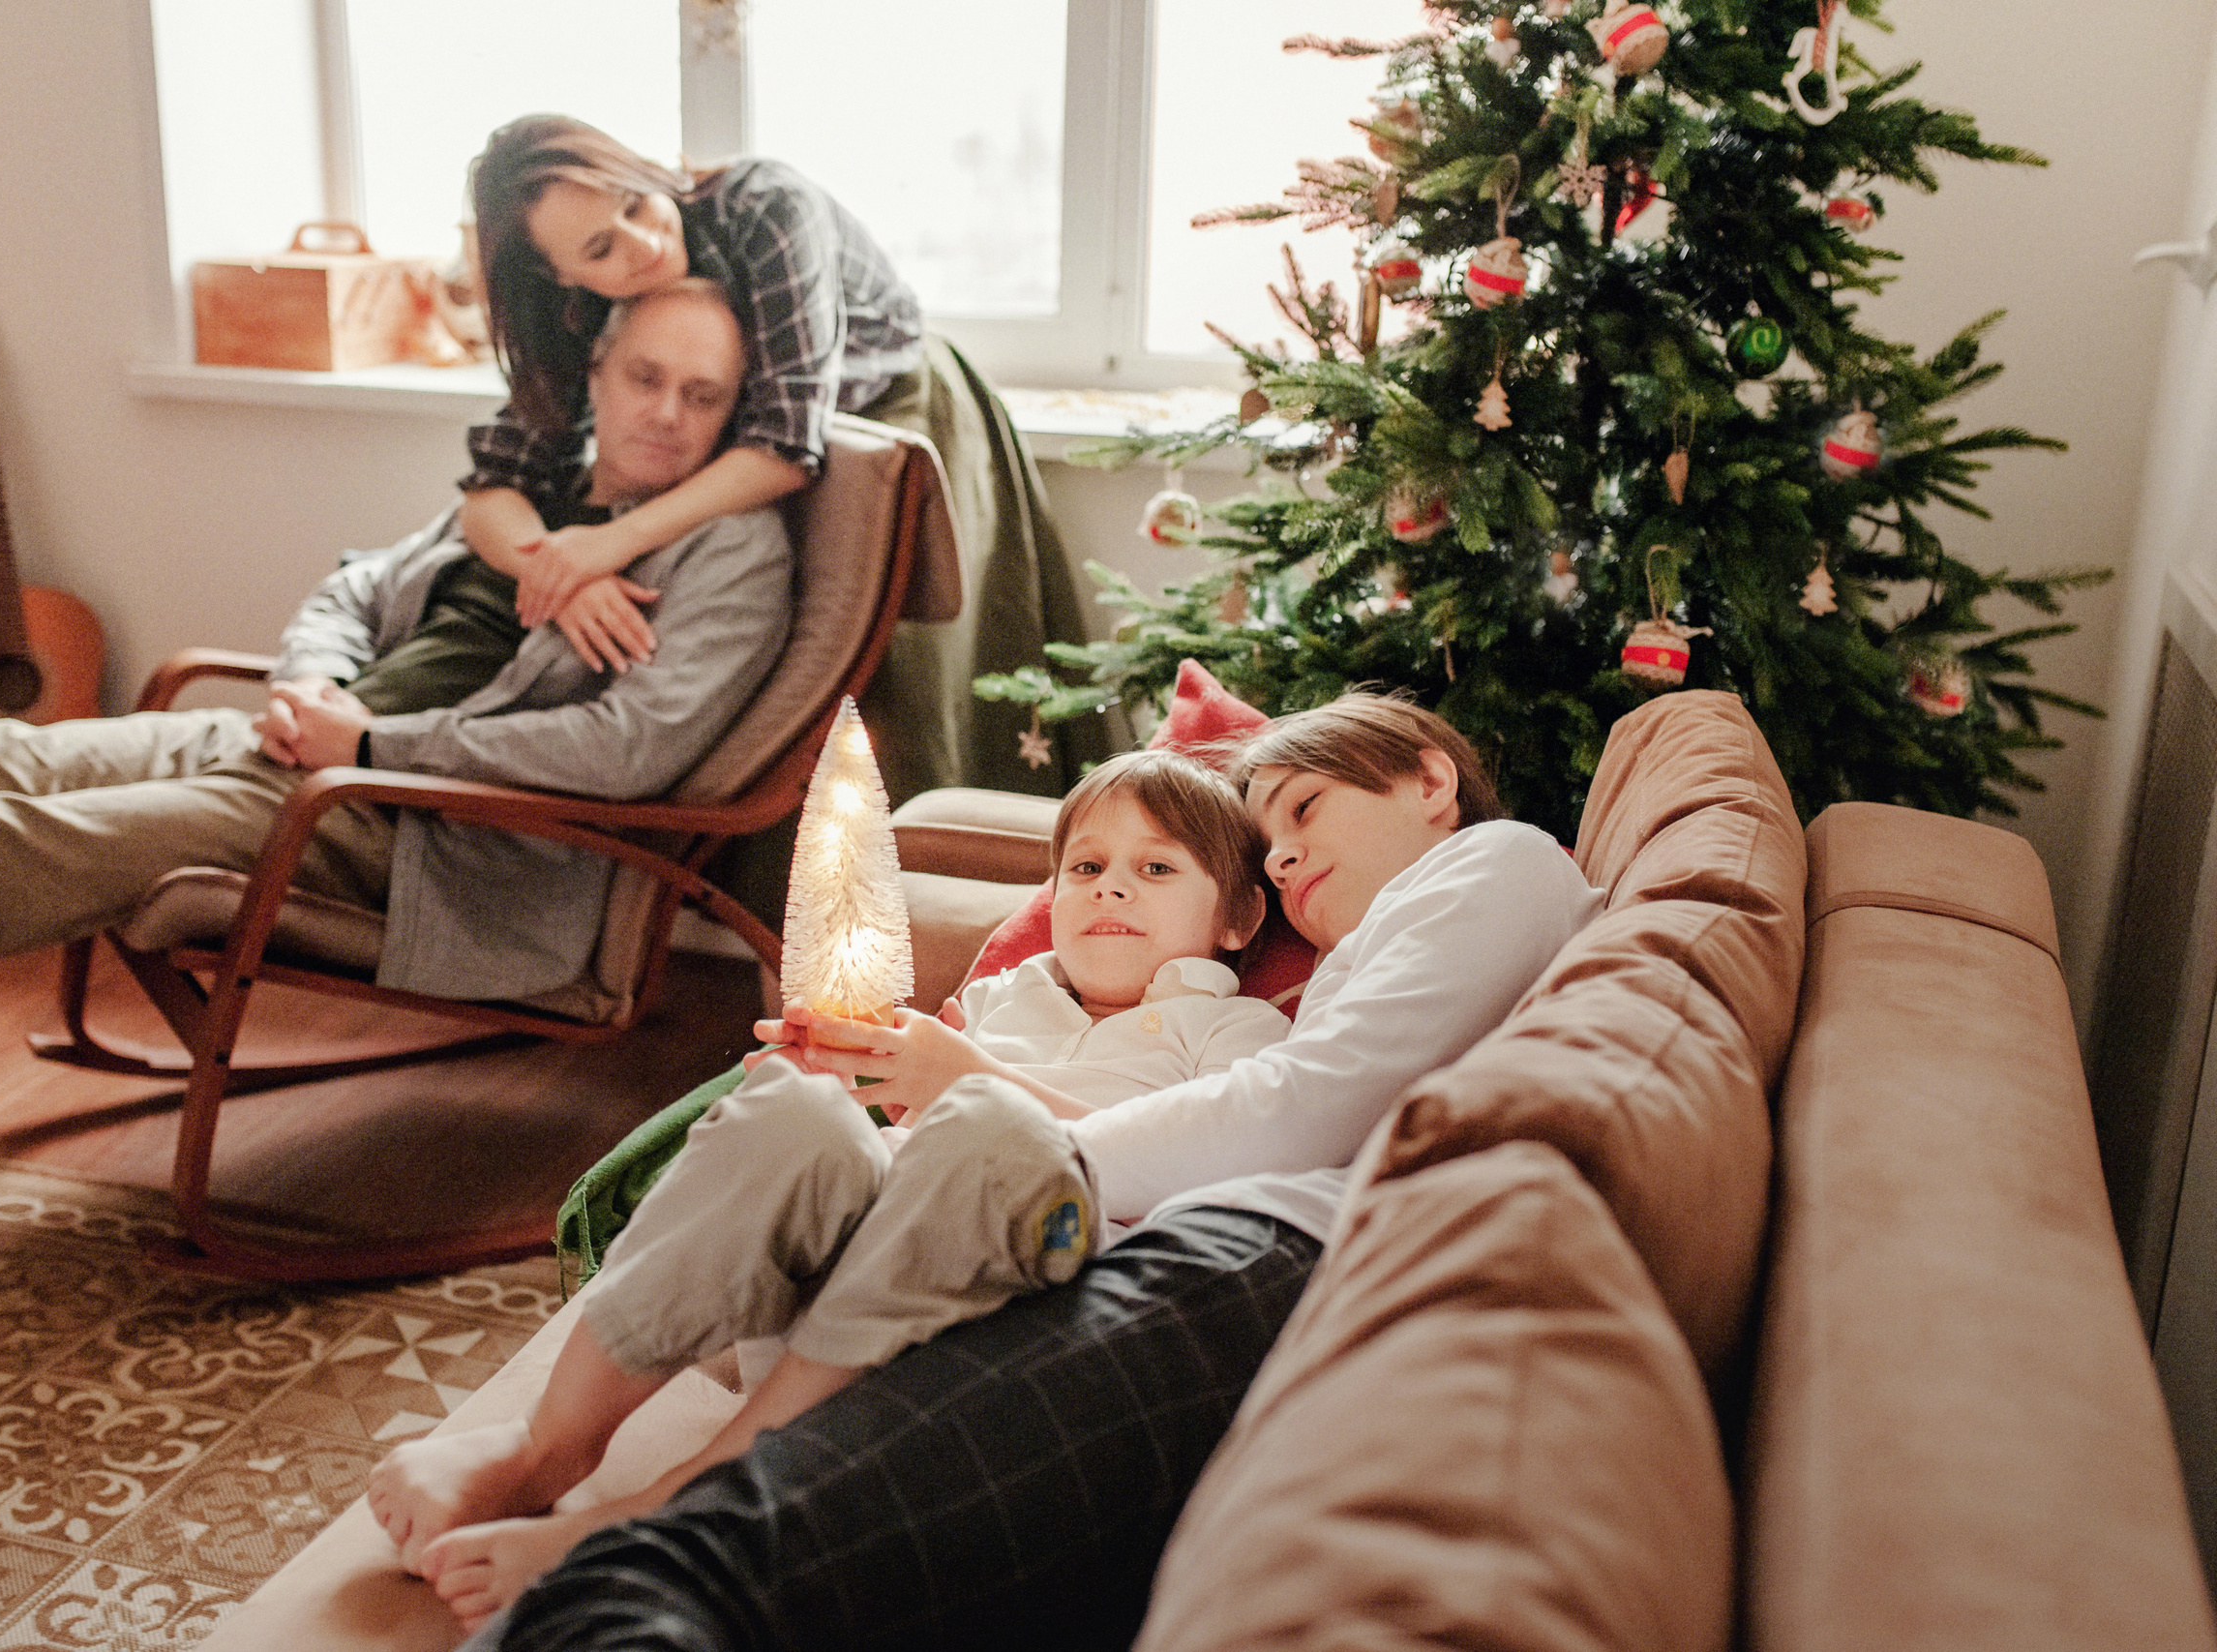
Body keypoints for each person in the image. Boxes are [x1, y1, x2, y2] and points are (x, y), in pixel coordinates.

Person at [464, 692, 1609, 1652]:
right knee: (797, 1117)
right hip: (1101, 1245)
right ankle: (573, 1461)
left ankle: (645, 1519)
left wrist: (968, 1119)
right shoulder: (1364, 952)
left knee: (971, 1161)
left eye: (1306, 809)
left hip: (1204, 1256)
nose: (1293, 851)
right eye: (1274, 842)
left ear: (1428, 781)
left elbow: (1305, 1108)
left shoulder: (1493, 866)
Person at [369, 749, 1294, 1625]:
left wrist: (971, 1077)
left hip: (1003, 1313)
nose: (1112, 886)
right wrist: (842, 1077)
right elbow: (894, 1136)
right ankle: (545, 1447)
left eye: (1158, 870)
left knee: (988, 1126)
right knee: (797, 1106)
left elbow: (1191, 1165)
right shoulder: (1000, 999)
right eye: (1085, 867)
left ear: (1239, 919)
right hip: (844, 1295)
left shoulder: (1237, 1034)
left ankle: (681, 1503)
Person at [0, 279, 787, 1016]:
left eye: (702, 398)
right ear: (595, 374)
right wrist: (312, 685)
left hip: (424, 828)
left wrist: (373, 750)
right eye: (646, 378)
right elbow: (359, 586)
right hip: (298, 747)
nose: (665, 414)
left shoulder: (732, 549)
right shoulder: (537, 487)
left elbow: (629, 749)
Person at [462, 114, 1107, 810]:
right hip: (748, 435)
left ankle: (916, 874)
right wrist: (560, 571)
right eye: (601, 248)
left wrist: (606, 543)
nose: (645, 243)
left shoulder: (768, 207)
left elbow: (784, 447)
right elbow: (495, 483)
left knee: (892, 689)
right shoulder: (572, 313)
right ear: (560, 277)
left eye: (635, 202)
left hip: (887, 409)